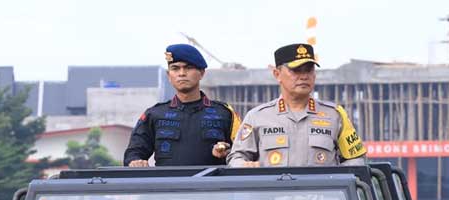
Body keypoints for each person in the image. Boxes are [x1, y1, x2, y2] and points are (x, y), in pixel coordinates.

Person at [227, 43, 367, 167]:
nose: (304, 76)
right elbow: (236, 158)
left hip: (322, 196)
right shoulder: (257, 117)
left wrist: (336, 180)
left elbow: (356, 159)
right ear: (277, 74)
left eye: (308, 70)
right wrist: (245, 166)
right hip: (274, 196)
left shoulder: (335, 115)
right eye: (296, 70)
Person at [124, 44, 240, 167]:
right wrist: (135, 162)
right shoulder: (154, 114)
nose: (182, 73)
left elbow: (243, 153)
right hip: (169, 185)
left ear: (201, 73)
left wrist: (227, 152)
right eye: (175, 68)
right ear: (169, 76)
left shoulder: (225, 113)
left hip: (211, 185)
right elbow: (134, 153)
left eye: (188, 68)